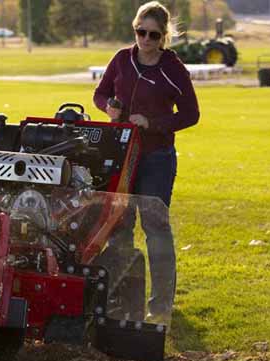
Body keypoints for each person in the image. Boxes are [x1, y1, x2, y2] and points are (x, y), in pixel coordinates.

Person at [93, 1, 199, 322]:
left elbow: (191, 115)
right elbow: (99, 94)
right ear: (135, 29)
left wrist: (153, 122)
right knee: (120, 226)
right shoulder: (121, 60)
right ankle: (121, 301)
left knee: (155, 227)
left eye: (154, 35)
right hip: (123, 156)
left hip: (156, 157)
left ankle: (161, 305)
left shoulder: (173, 68)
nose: (147, 40)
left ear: (164, 36)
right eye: (142, 33)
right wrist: (108, 108)